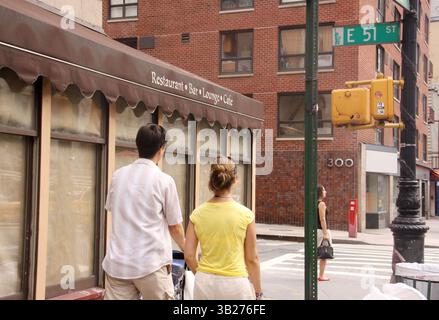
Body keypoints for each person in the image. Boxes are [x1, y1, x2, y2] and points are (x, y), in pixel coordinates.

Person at [102, 124, 185, 300]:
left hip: (118, 265)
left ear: (138, 146)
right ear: (161, 150)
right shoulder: (164, 181)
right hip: (152, 266)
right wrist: (189, 251)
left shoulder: (118, 176)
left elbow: (112, 210)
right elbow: (175, 227)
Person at [184, 156, 262, 300]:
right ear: (235, 180)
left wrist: (201, 274)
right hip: (236, 284)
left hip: (205, 282)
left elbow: (189, 255)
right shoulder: (246, 215)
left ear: (212, 181)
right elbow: (252, 258)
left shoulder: (197, 214)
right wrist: (258, 292)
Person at [317, 184, 332, 281]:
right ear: (320, 193)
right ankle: (321, 276)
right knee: (323, 254)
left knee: (315, 254)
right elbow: (322, 219)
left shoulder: (313, 203)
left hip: (315, 231)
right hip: (321, 231)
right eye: (324, 190)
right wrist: (325, 233)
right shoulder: (321, 204)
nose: (325, 192)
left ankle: (312, 275)